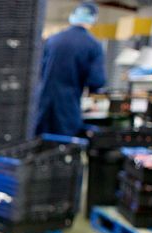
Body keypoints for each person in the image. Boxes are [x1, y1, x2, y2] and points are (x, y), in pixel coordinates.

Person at [35, 2, 106, 136]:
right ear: (93, 19)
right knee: (64, 148)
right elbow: (96, 81)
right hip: (67, 109)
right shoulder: (93, 45)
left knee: (40, 145)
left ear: (73, 16)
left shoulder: (52, 40)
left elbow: (38, 71)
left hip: (42, 106)